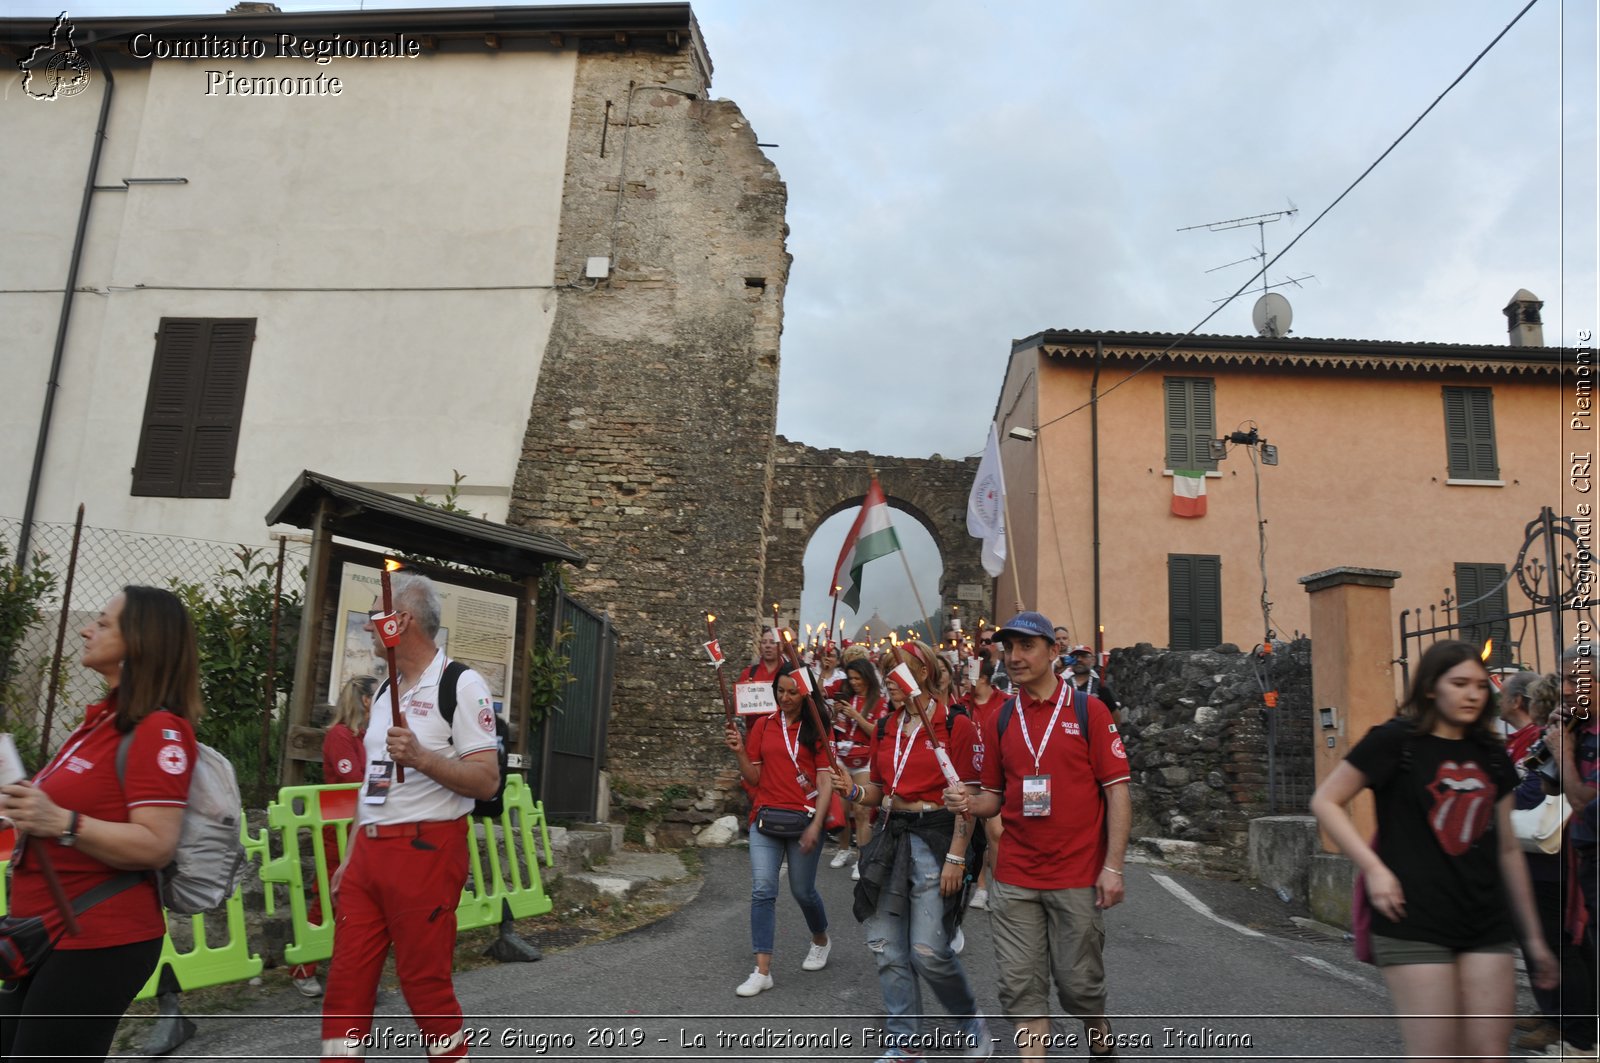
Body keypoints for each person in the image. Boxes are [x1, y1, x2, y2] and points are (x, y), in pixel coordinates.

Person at [1310, 640, 1556, 1062]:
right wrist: (1376, 870)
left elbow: (1508, 850)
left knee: (1488, 1054)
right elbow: (1326, 802)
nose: (1473, 694)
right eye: (1459, 683)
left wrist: (1534, 941)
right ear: (1429, 689)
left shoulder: (1490, 753)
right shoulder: (1395, 741)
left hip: (1484, 922)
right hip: (1412, 921)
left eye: (1480, 686)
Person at [0, 586, 201, 1063]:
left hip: (98, 940)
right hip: (43, 932)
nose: (87, 629)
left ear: (141, 640)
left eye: (105, 623)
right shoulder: (98, 724)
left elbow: (156, 845)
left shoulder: (159, 730)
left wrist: (62, 821)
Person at [320, 573, 499, 1062]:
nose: (367, 627)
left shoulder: (460, 683)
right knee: (346, 984)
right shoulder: (383, 692)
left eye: (376, 614)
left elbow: (486, 781)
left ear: (402, 622)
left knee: (424, 986)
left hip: (426, 851)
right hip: (371, 856)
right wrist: (352, 855)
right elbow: (374, 781)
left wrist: (422, 758)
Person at [945, 611, 1130, 1060]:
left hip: (1077, 875)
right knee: (1021, 990)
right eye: (1009, 648)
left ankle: (1101, 1042)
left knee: (1080, 987)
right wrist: (968, 803)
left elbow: (1118, 792)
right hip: (1014, 875)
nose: (1015, 657)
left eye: (1027, 647)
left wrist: (1113, 868)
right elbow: (993, 796)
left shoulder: (1089, 710)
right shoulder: (1002, 720)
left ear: (1053, 651)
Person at [832, 639, 989, 1063]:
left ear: (923, 673)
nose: (890, 679)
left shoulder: (957, 725)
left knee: (928, 952)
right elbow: (881, 790)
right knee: (887, 947)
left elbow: (969, 797)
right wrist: (856, 790)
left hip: (938, 837)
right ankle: (904, 1043)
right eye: (886, 670)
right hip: (892, 835)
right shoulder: (885, 727)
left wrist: (957, 855)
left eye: (898, 669)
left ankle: (970, 1022)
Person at [723, 662, 833, 996]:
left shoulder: (817, 728)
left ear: (805, 692)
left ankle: (820, 939)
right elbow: (753, 778)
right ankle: (762, 970)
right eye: (780, 691)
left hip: (804, 820)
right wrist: (740, 751)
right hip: (766, 817)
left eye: (792, 691)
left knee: (802, 891)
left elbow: (826, 780)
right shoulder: (763, 727)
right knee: (762, 891)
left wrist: (817, 825)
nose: (785, 697)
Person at [288, 674, 377, 998]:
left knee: (358, 903)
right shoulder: (340, 735)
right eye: (377, 695)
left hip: (360, 827)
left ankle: (351, 973)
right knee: (327, 898)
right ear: (366, 701)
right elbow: (353, 779)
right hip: (339, 830)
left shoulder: (366, 735)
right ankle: (302, 967)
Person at [830, 657, 889, 875]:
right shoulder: (848, 699)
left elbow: (877, 733)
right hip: (844, 756)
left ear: (867, 677)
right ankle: (843, 849)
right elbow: (838, 729)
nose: (854, 682)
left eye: (858, 678)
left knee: (862, 810)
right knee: (842, 809)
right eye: (851, 678)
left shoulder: (880, 701)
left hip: (866, 758)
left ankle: (862, 857)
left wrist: (856, 716)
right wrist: (837, 714)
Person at [1065, 645, 1122, 726]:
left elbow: (1117, 722)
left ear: (1093, 660)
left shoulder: (1102, 685)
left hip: (1095, 733)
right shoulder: (1062, 686)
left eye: (1084, 656)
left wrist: (1110, 703)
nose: (1079, 659)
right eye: (1074, 657)